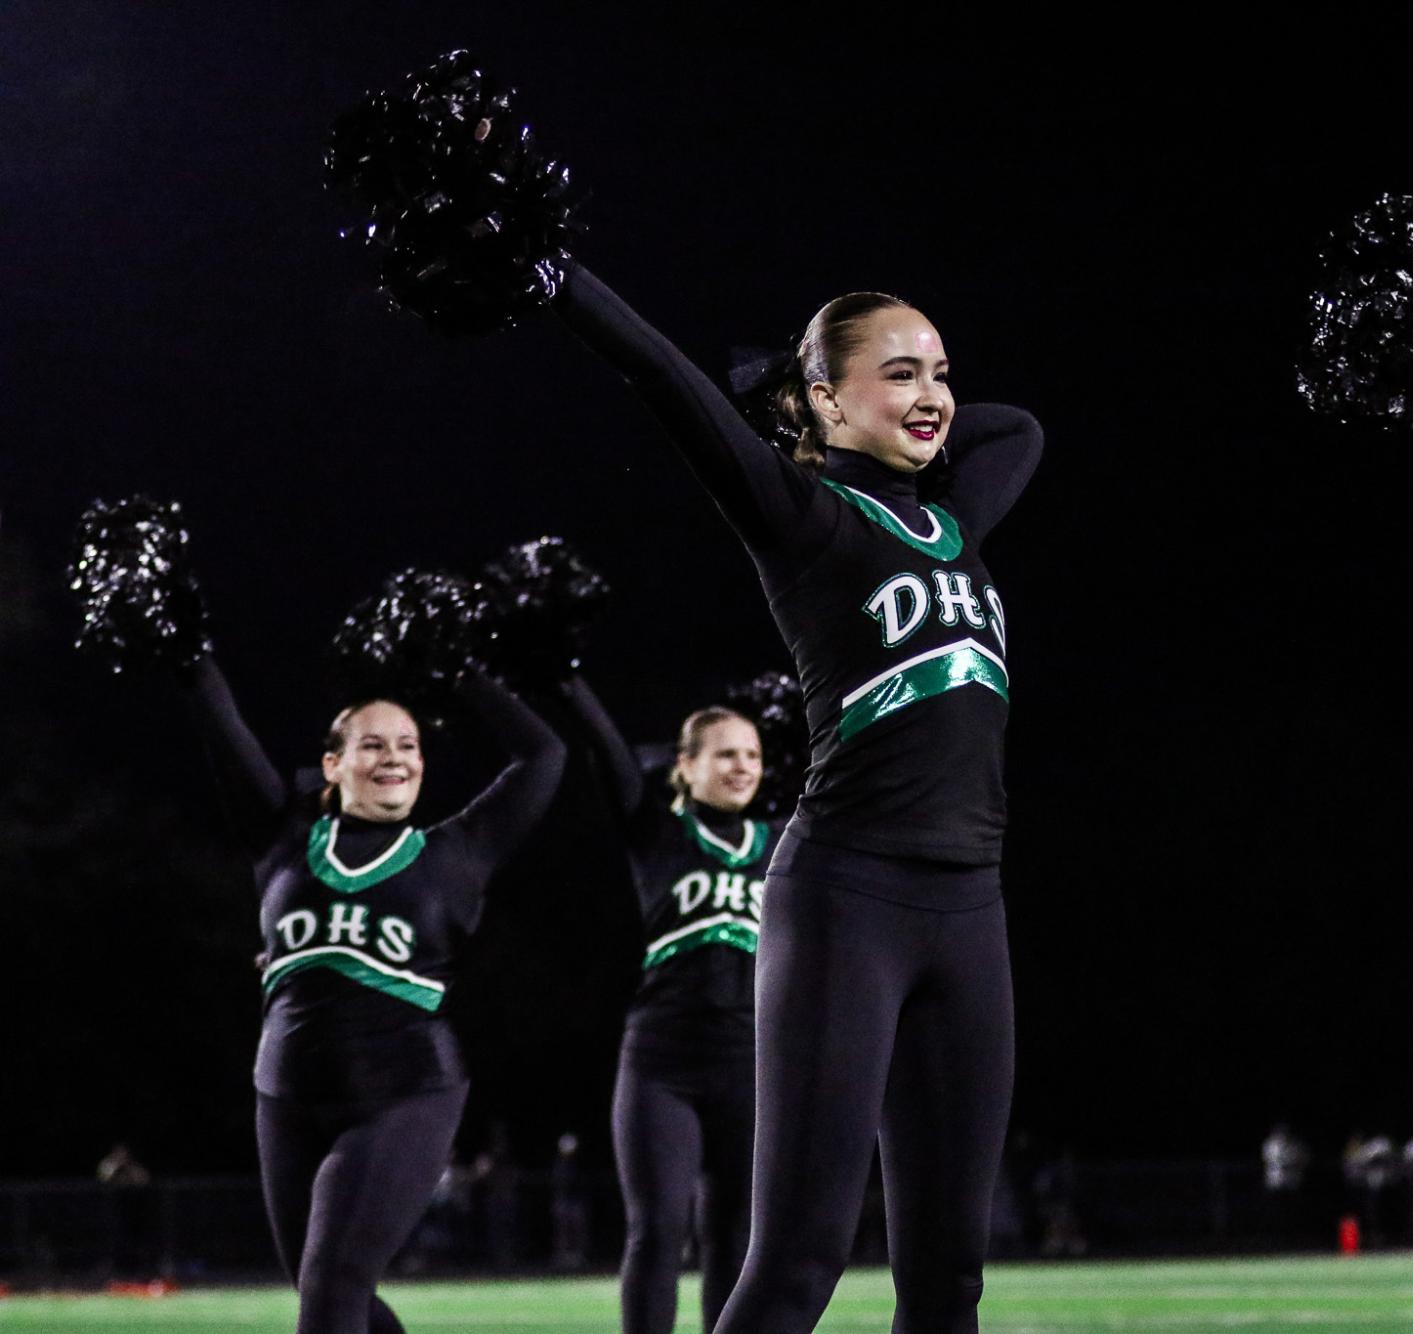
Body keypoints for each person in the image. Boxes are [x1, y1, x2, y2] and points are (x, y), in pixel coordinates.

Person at [551, 266, 1043, 1332]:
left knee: (952, 1271)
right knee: (797, 1260)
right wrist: (565, 282)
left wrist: (901, 412)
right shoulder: (804, 515)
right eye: (899, 371)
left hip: (973, 908)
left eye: (942, 372)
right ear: (824, 397)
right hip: (846, 900)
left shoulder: (956, 519)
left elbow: (1021, 430)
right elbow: (666, 378)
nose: (935, 393)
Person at [181, 652, 564, 1333]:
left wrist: (462, 669)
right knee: (330, 1294)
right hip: (285, 1097)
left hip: (402, 1094)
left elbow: (542, 754)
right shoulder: (283, 838)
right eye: (373, 744)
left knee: (331, 1292)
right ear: (333, 764)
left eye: (409, 745)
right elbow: (222, 725)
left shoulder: (455, 852)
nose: (396, 757)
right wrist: (195, 658)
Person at [562, 680, 770, 1332]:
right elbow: (609, 752)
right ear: (685, 765)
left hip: (750, 1061)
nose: (742, 767)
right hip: (662, 1059)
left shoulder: (782, 842)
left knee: (735, 1235)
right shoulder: (656, 830)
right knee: (657, 1232)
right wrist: (568, 677)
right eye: (725, 754)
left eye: (752, 756)